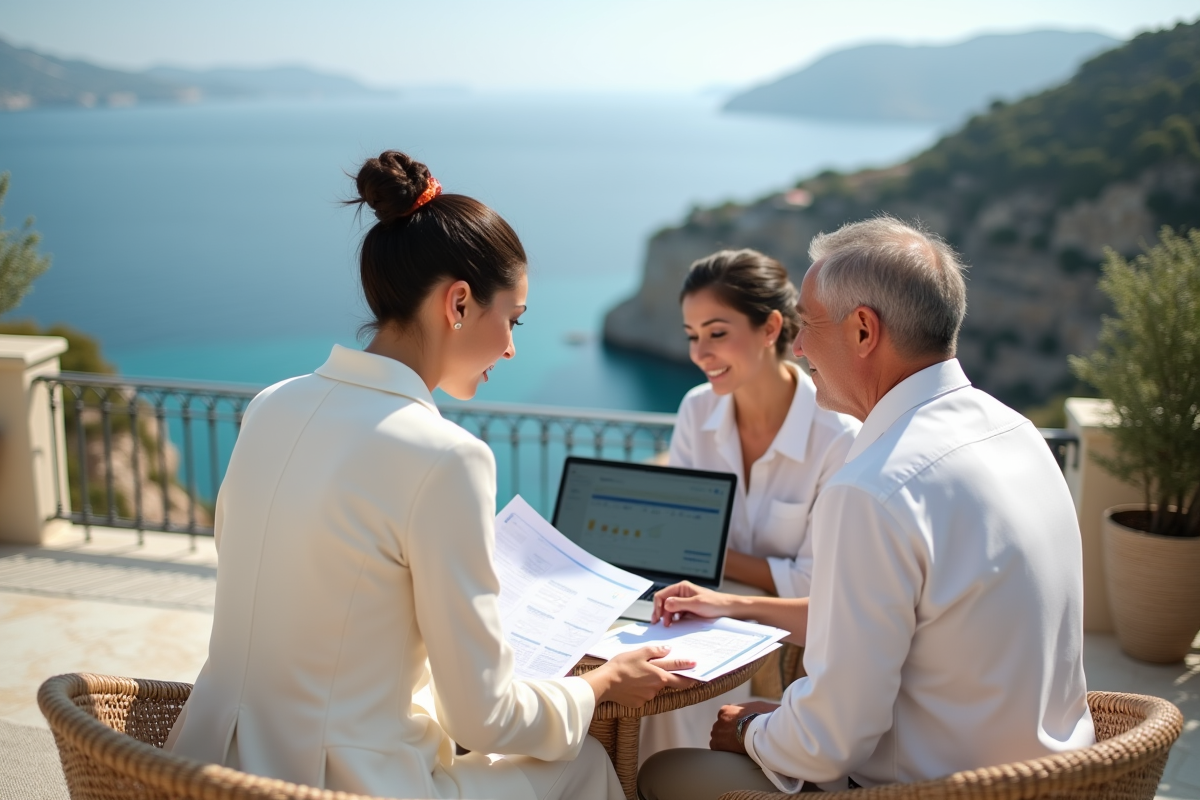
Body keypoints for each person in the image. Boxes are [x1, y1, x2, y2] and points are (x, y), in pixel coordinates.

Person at [165, 150, 695, 800]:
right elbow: (485, 717)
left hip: (204, 768)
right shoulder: (445, 456)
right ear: (460, 303)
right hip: (341, 785)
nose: (511, 347)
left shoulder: (273, 404)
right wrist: (604, 683)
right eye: (514, 318)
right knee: (580, 765)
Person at [637, 216, 1094, 800]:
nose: (797, 348)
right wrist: (731, 605)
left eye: (807, 325)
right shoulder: (1019, 434)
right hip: (1059, 776)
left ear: (862, 331)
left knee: (661, 772)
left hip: (928, 787)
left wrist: (751, 728)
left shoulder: (873, 488)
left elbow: (830, 741)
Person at [639, 249, 859, 759]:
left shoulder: (838, 437)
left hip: (768, 621)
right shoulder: (697, 410)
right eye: (693, 336)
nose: (700, 353)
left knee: (677, 688)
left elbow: (813, 584)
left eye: (717, 333)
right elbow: (682, 540)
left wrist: (707, 561)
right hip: (698, 605)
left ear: (770, 328)